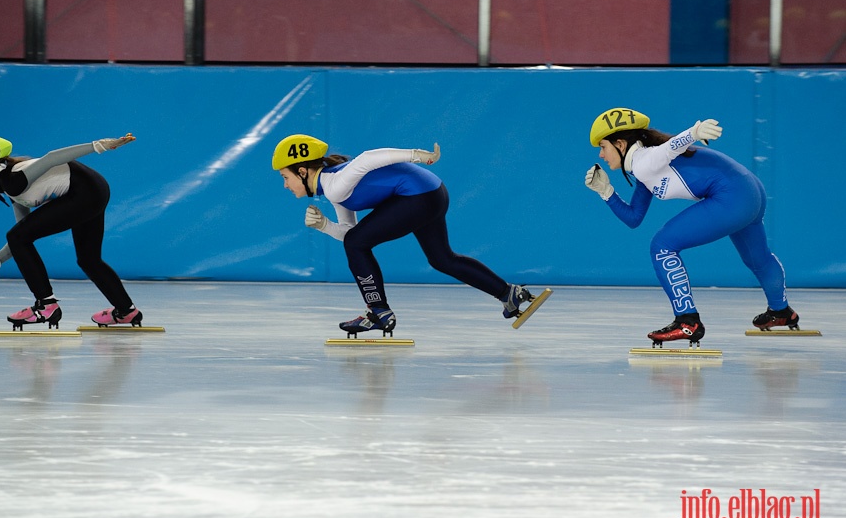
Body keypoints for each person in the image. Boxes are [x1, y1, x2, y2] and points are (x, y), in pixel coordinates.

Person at [271, 134, 536, 335]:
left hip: (418, 196)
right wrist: (325, 226)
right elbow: (352, 235)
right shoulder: (333, 187)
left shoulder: (335, 186)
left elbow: (368, 158)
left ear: (302, 171)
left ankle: (378, 312)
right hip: (431, 193)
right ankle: (508, 293)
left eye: (285, 177)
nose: (284, 185)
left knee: (359, 244)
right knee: (442, 259)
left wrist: (416, 155)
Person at [583, 107, 799, 346]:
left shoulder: (645, 161)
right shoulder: (644, 170)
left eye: (603, 147)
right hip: (750, 190)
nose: (601, 155)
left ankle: (688, 322)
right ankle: (781, 311)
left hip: (732, 195)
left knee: (662, 245)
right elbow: (634, 218)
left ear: (621, 144)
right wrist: (606, 192)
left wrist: (694, 132)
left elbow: (671, 146)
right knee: (758, 258)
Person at [0, 132, 142, 330]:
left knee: (18, 236)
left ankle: (46, 306)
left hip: (85, 192)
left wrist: (99, 145)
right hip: (93, 189)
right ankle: (126, 311)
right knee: (88, 260)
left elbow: (52, 157)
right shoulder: (9, 185)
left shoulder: (13, 179)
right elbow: (21, 235)